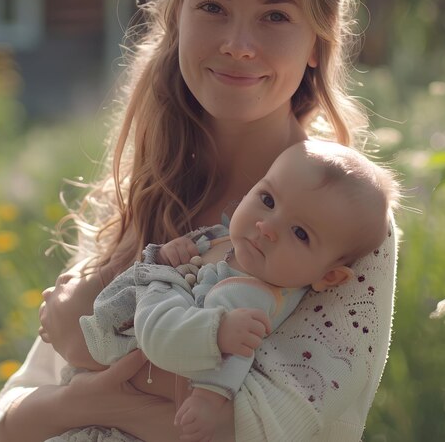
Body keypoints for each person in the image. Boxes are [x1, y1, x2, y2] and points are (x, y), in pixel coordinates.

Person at [0, 0, 399, 442]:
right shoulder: (142, 191)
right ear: (176, 18)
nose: (237, 42)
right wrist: (78, 398)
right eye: (212, 7)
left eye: (275, 16)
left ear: (317, 44)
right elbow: (8, 421)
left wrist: (93, 358)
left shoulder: (345, 223)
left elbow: (286, 426)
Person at [74, 139, 398, 442]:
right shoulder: (225, 240)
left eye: (300, 233)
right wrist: (168, 255)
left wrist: (207, 397)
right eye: (267, 200)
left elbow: (231, 354)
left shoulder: (251, 295)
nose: (267, 227)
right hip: (96, 386)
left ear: (329, 278)